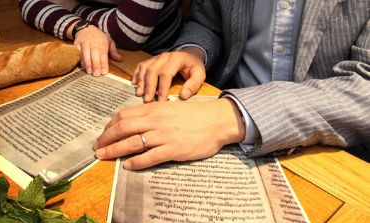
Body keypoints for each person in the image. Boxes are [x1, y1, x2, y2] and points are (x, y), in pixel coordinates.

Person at [93, 0, 370, 169]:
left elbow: (363, 87)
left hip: (332, 155)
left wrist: (232, 115)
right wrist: (192, 52)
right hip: (218, 122)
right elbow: (208, 23)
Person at [19, 0, 183, 76]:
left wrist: (70, 7)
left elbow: (128, 32)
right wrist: (80, 28)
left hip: (154, 62)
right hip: (93, 50)